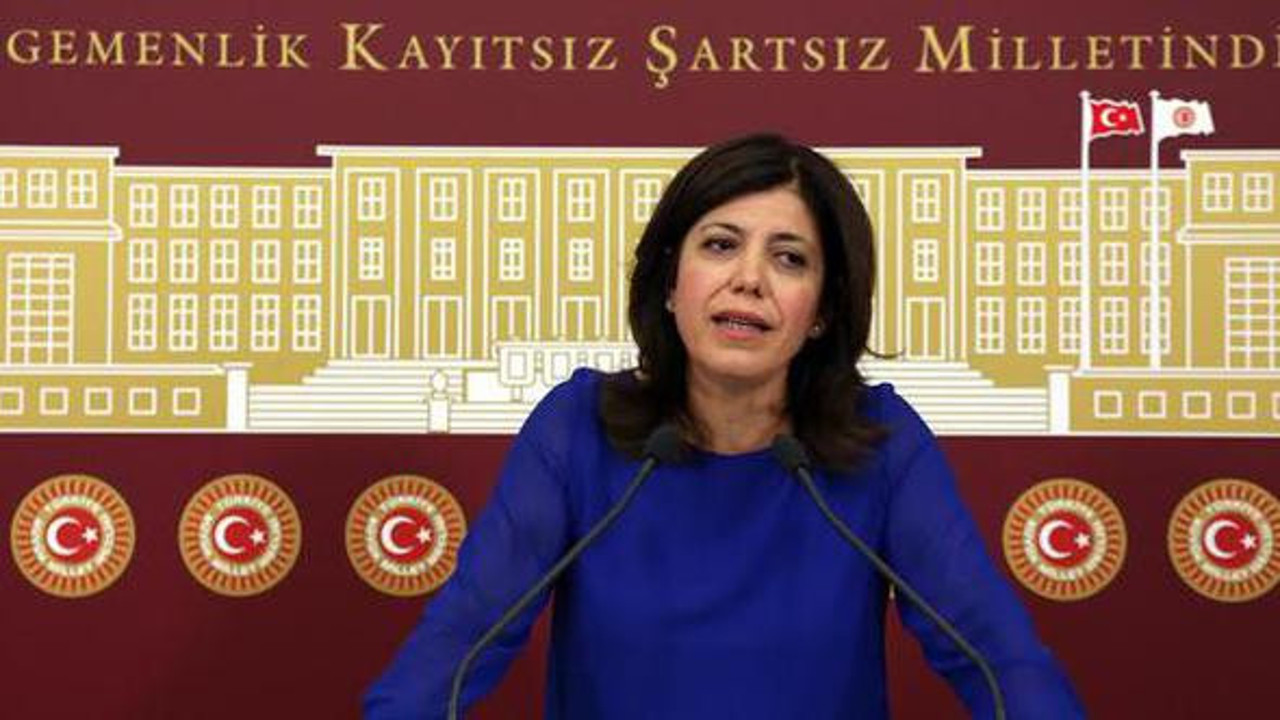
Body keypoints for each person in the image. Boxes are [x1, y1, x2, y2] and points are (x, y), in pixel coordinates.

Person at [364, 134, 1083, 718]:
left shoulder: (880, 442)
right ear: (669, 282)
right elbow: (458, 645)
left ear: (822, 310)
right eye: (719, 245)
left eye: (789, 258)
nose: (749, 278)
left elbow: (998, 659)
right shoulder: (579, 429)